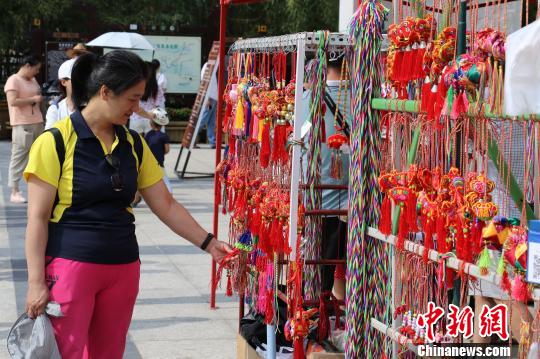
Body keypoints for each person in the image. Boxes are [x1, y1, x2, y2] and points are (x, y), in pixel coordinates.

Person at [23, 50, 232, 358]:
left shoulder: (133, 143)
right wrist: (35, 282)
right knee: (69, 353)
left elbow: (166, 204)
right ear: (105, 92)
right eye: (132, 100)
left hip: (123, 267)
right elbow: (37, 219)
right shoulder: (55, 141)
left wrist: (209, 243)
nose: (137, 109)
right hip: (71, 266)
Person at [301, 56, 350, 296]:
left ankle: (320, 318)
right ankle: (342, 317)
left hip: (318, 200)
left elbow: (298, 142)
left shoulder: (307, 99)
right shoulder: (363, 98)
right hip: (355, 201)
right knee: (350, 267)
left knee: (320, 273)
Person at [4, 54, 44, 203]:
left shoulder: (32, 80)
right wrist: (33, 99)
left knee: (38, 156)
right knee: (19, 157)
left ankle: (37, 188)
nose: (37, 72)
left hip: (37, 121)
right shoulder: (13, 80)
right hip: (22, 124)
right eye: (36, 69)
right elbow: (12, 101)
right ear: (27, 66)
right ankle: (15, 191)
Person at [129, 61, 159, 135]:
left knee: (136, 144)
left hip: (136, 118)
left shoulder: (136, 85)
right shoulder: (156, 87)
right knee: (149, 145)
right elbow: (157, 105)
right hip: (150, 119)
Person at [145, 111, 172, 193]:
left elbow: (145, 148)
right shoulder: (164, 136)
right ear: (162, 124)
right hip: (159, 162)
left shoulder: (148, 134)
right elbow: (167, 149)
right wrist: (161, 153)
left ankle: (136, 197)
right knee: (164, 179)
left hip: (149, 162)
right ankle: (170, 193)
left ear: (151, 124)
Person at [45, 58, 76, 129]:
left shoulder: (92, 107)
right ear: (63, 82)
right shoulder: (56, 109)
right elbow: (49, 137)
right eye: (75, 79)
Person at [197, 61, 217, 148]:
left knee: (211, 122)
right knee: (203, 120)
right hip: (210, 97)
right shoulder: (208, 66)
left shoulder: (213, 65)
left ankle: (213, 142)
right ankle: (192, 140)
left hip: (214, 97)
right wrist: (207, 98)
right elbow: (205, 82)